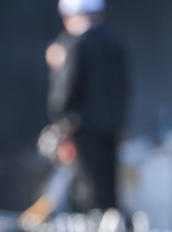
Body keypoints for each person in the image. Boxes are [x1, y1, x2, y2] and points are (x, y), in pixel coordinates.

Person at [45, 0, 129, 213]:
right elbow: (124, 88)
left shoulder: (74, 46)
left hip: (82, 131)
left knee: (87, 188)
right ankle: (110, 223)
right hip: (110, 129)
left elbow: (65, 91)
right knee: (107, 186)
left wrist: (60, 125)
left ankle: (95, 224)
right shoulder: (114, 44)